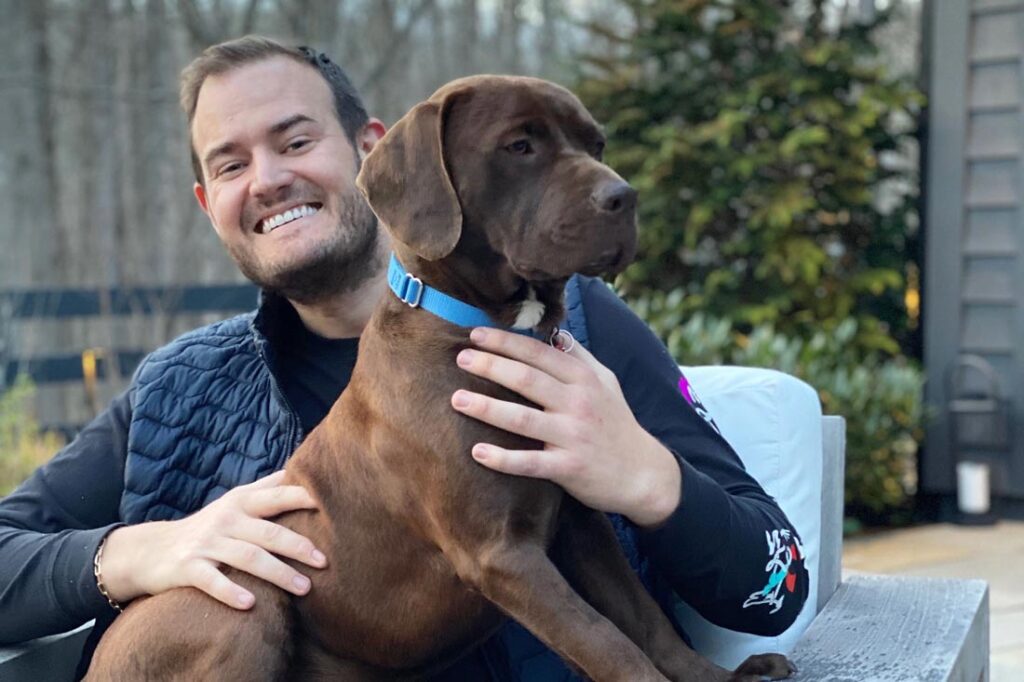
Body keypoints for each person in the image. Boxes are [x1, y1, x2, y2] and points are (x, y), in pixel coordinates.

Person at [0, 36, 808, 680]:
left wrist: (647, 476)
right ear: (209, 204)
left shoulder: (582, 333)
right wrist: (135, 551)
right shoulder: (178, 392)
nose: (271, 179)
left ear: (375, 154)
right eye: (231, 164)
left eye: (296, 140)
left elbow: (780, 588)